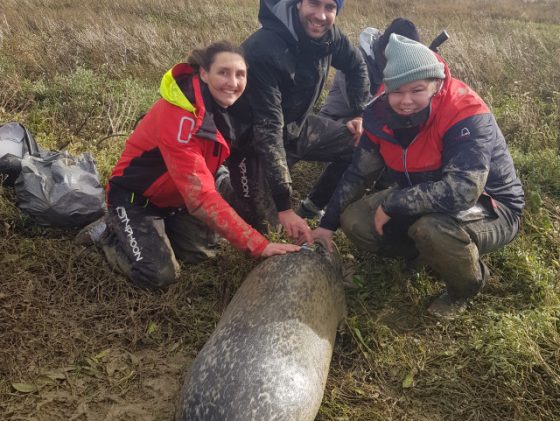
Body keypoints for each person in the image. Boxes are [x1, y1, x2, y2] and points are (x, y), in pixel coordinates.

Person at [312, 34, 525, 318]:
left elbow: (463, 190)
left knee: (430, 229)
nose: (405, 101)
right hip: (419, 190)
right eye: (397, 91)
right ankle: (420, 255)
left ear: (436, 85)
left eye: (417, 90)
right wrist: (327, 224)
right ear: (386, 88)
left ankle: (467, 285)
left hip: (492, 205)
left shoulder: (466, 113)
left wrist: (393, 204)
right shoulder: (378, 114)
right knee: (355, 220)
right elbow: (358, 173)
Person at [76, 41, 300, 290]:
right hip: (135, 200)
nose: (233, 82)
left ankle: (158, 232)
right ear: (204, 73)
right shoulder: (180, 115)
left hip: (176, 202)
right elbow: (201, 198)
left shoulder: (226, 109)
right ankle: (110, 233)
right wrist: (259, 244)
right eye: (223, 72)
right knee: (159, 274)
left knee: (202, 254)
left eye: (240, 75)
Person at [230, 0, 370, 245]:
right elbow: (268, 128)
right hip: (252, 142)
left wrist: (359, 113)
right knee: (271, 231)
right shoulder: (264, 49)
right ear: (297, 4)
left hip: (296, 126)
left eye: (330, 7)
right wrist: (284, 206)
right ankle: (226, 182)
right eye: (313, 4)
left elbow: (357, 65)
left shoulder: (330, 37)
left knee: (361, 145)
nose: (321, 15)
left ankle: (314, 205)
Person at [319, 18, 421, 123]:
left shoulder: (398, 64)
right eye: (403, 55)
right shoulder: (355, 63)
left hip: (375, 120)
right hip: (337, 122)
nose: (405, 61)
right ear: (387, 49)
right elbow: (364, 108)